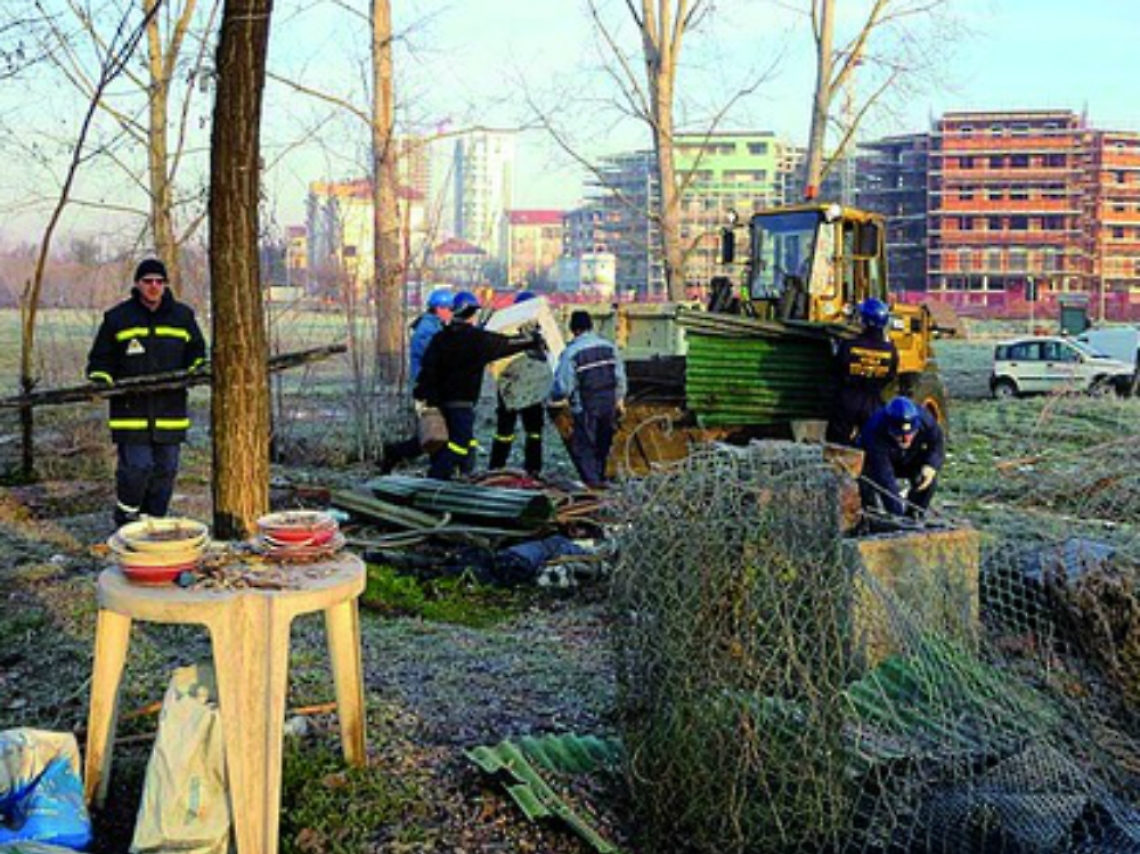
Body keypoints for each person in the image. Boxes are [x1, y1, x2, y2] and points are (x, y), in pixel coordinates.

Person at [86, 258, 207, 527]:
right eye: (147, 281)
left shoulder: (182, 317)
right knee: (137, 468)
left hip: (170, 412)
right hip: (131, 414)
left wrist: (197, 368)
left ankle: (154, 523)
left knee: (166, 470)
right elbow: (100, 359)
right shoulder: (117, 318)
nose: (153, 286)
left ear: (165, 284)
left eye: (159, 281)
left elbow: (197, 351)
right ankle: (127, 518)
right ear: (137, 284)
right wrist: (101, 379)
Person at [414, 290, 543, 480]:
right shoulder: (476, 339)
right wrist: (531, 342)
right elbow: (504, 345)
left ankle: (466, 475)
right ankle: (436, 477)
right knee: (459, 444)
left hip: (441, 401)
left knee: (459, 440)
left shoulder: (441, 337)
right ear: (471, 313)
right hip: (462, 401)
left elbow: (428, 367)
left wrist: (423, 394)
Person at [551, 310, 626, 489]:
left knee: (584, 445)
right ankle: (601, 478)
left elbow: (563, 387)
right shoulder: (609, 347)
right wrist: (619, 400)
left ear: (573, 329)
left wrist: (554, 397)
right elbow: (620, 378)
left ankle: (592, 484)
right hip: (608, 402)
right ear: (591, 326)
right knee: (603, 441)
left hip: (586, 404)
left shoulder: (571, 353)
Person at [380, 288, 453, 474]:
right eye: (449, 308)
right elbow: (439, 359)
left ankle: (398, 455)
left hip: (432, 389)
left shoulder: (434, 327)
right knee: (434, 434)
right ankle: (396, 454)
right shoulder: (427, 332)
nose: (452, 312)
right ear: (439, 309)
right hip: (426, 391)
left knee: (433, 433)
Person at [489, 291, 549, 476]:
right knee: (533, 431)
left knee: (505, 430)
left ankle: (496, 468)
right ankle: (533, 468)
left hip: (509, 385)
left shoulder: (504, 326)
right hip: (532, 387)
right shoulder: (540, 327)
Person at [857, 396, 944, 519]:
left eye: (910, 433)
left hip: (908, 458)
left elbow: (937, 444)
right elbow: (885, 479)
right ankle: (871, 516)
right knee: (867, 478)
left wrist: (931, 465)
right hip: (879, 463)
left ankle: (915, 513)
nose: (906, 439)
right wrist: (898, 516)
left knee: (928, 478)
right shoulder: (874, 431)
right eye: (899, 435)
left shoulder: (926, 420)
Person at [827, 297, 899, 445]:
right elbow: (890, 376)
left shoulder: (849, 345)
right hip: (874, 402)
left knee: (837, 445)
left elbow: (836, 369)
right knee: (873, 444)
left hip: (847, 401)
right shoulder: (891, 351)